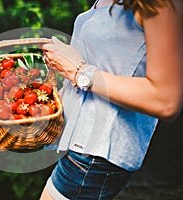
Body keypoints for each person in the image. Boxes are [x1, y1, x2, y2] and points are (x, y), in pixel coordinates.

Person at [39, 0, 183, 199]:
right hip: (81, 142)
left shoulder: (160, 3)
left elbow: (165, 100)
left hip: (97, 150)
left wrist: (78, 70)